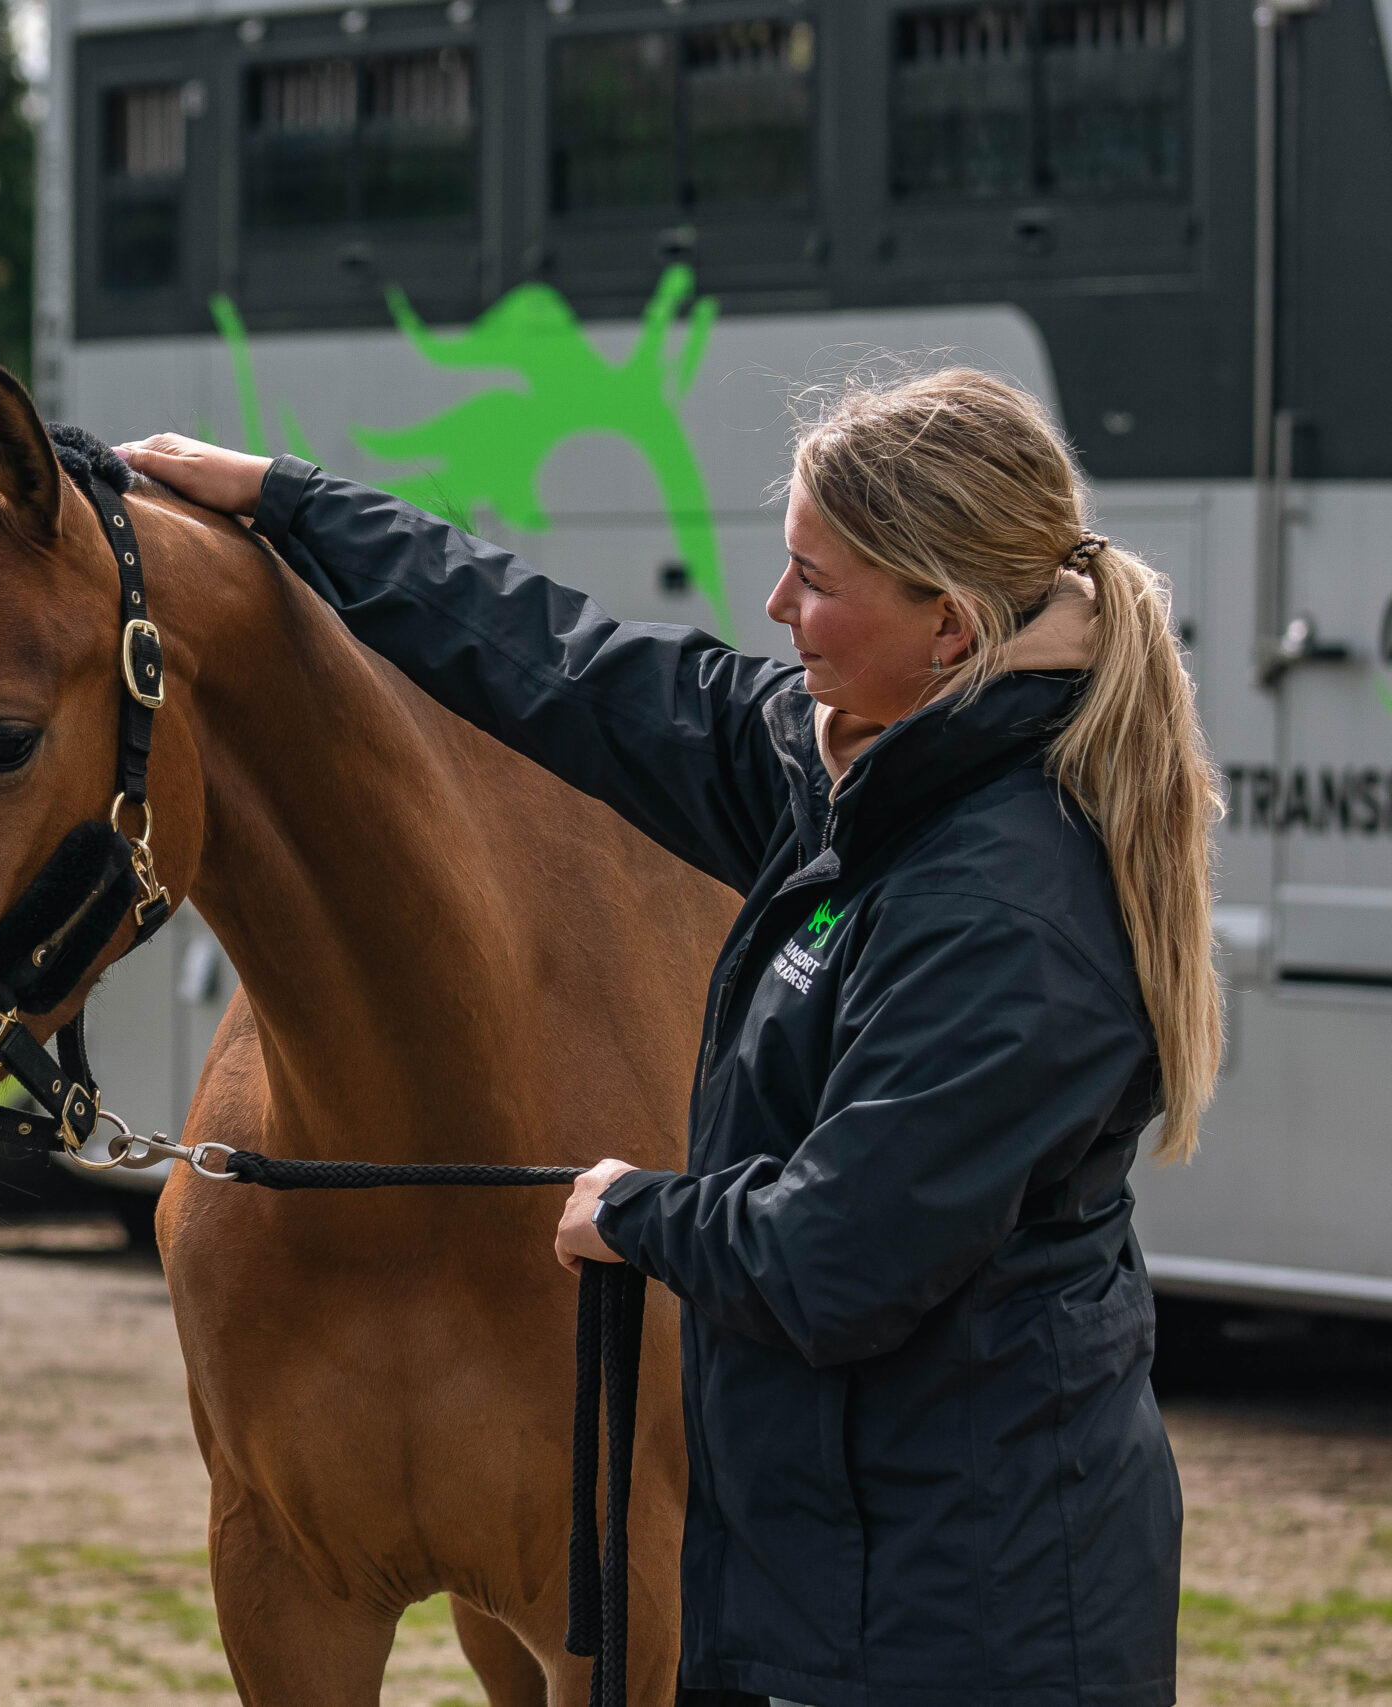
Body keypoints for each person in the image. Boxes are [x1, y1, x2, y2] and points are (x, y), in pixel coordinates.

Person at [120, 366, 1212, 1707]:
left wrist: (640, 1217)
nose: (775, 608)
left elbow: (842, 1255)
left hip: (974, 1613)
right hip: (854, 1561)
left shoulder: (1004, 911)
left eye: (816, 581)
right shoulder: (856, 776)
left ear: (948, 624)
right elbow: (565, 667)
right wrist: (297, 507)